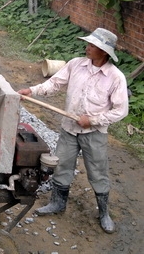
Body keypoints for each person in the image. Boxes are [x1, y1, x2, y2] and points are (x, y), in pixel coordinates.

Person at [17, 28, 128, 234]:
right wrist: (31, 91)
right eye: (88, 44)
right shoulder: (76, 64)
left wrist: (93, 120)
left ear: (104, 52)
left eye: (93, 46)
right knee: (62, 166)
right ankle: (58, 203)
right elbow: (54, 84)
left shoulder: (115, 77)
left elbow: (120, 111)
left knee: (97, 172)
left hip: (94, 134)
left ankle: (104, 213)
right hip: (69, 129)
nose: (87, 47)